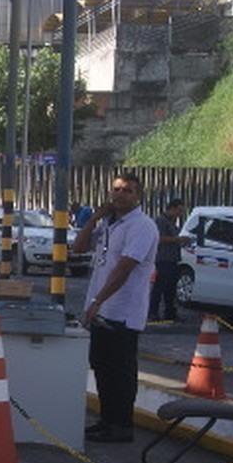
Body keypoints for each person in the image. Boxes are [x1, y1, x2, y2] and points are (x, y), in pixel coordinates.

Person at [72, 172, 159, 444]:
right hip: (101, 311)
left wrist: (99, 300)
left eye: (128, 191)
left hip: (122, 311)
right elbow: (78, 247)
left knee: (120, 372)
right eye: (117, 189)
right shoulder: (110, 224)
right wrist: (96, 216)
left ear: (139, 196)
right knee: (102, 367)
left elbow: (124, 269)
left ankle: (122, 425)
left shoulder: (142, 226)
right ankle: (107, 420)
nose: (121, 194)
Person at [148, 198, 188, 322]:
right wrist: (177, 239)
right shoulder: (161, 221)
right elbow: (159, 239)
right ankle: (153, 312)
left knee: (170, 288)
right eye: (179, 211)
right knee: (159, 287)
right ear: (172, 208)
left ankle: (170, 312)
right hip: (163, 259)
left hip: (173, 259)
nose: (179, 214)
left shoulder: (172, 222)